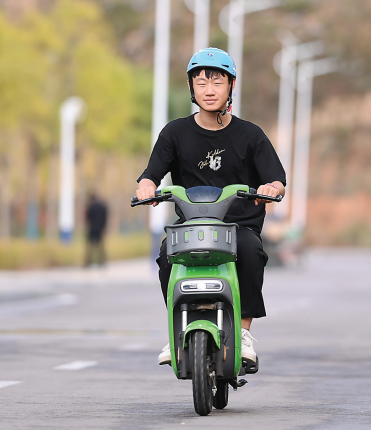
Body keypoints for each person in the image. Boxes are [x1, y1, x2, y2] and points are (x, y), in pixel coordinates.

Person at [135, 47, 286, 366]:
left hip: (238, 227)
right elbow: (150, 175)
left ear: (231, 86)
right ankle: (177, 328)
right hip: (192, 226)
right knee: (166, 255)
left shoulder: (250, 135)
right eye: (201, 82)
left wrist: (271, 187)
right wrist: (147, 186)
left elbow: (275, 178)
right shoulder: (175, 133)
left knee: (249, 251)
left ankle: (243, 334)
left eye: (217, 82)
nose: (209, 90)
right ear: (191, 87)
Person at [85, 193, 108, 267]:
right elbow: (105, 217)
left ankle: (88, 262)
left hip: (92, 228)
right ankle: (102, 261)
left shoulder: (90, 207)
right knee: (101, 247)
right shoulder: (102, 206)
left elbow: (87, 218)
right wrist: (104, 226)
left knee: (90, 247)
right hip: (100, 229)